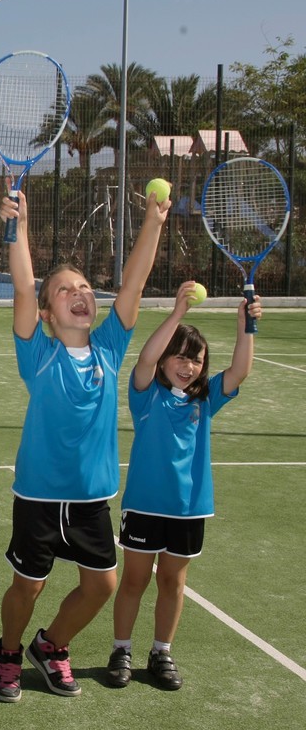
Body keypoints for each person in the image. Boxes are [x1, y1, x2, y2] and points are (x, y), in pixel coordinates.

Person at [0, 187, 168, 703]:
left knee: (101, 587)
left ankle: (51, 646)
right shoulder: (39, 354)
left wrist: (153, 224)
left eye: (86, 286)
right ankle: (7, 652)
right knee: (29, 586)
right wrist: (19, 228)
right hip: (40, 496)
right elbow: (25, 288)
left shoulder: (110, 349)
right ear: (48, 313)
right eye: (65, 289)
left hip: (92, 497)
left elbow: (133, 283)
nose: (80, 292)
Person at [105, 282, 260, 691]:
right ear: (164, 360)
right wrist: (176, 314)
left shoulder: (205, 399)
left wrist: (246, 329)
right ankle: (122, 649)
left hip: (190, 508)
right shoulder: (146, 394)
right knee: (135, 580)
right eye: (179, 355)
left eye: (195, 359)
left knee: (173, 582)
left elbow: (241, 370)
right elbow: (144, 359)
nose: (187, 365)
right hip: (144, 506)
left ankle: (161, 651)